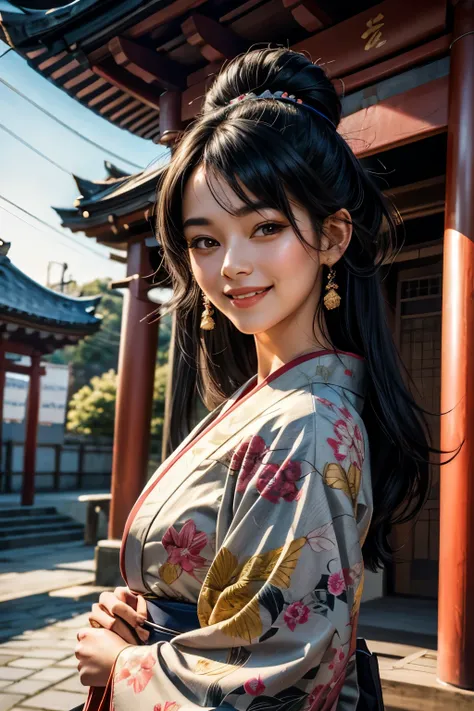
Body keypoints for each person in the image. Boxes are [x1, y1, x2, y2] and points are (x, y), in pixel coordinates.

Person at [75, 47, 433, 710]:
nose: (232, 265)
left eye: (264, 226)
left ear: (331, 236)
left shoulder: (307, 420)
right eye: (205, 240)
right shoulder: (271, 399)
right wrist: (135, 614)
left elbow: (279, 681)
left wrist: (124, 661)